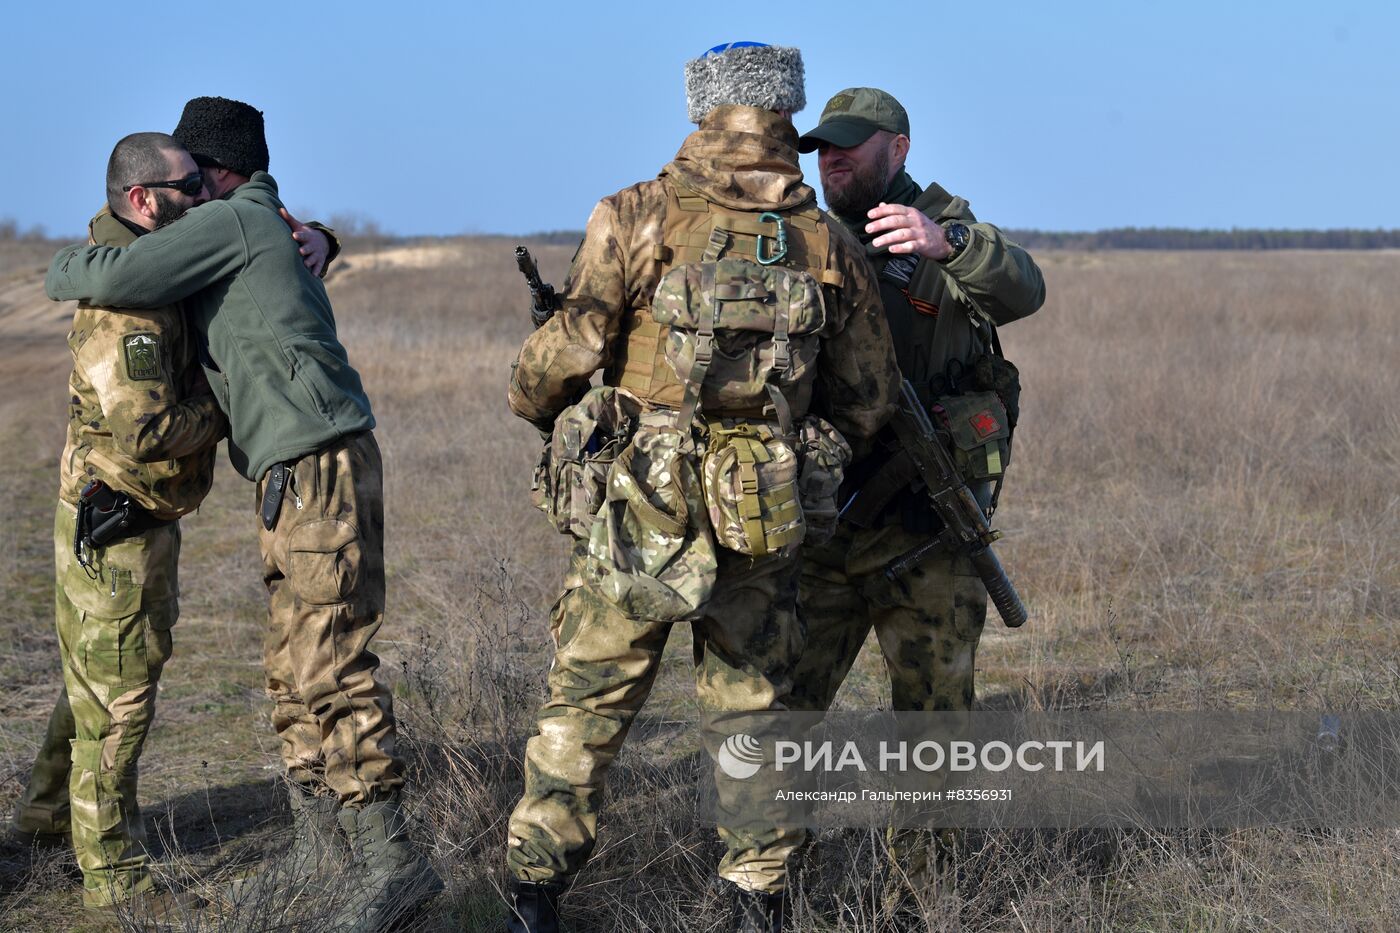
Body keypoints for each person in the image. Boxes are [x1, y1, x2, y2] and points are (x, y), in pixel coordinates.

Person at [502, 43, 900, 933]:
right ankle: (758, 894)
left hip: (642, 503)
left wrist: (558, 409)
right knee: (754, 706)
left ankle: (535, 891)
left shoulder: (637, 213)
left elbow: (556, 365)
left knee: (590, 697)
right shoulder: (825, 239)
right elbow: (869, 397)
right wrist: (795, 443)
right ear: (789, 109)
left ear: (698, 104)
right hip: (765, 503)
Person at [44, 97, 441, 932]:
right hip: (290, 472)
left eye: (195, 179)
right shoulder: (256, 219)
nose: (185, 198)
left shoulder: (235, 220)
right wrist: (325, 236)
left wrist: (58, 266)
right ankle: (320, 849)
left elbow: (112, 274)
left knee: (329, 662)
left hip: (316, 465)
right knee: (291, 666)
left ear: (220, 175)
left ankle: (391, 860)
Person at [789, 87, 1045, 903]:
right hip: (823, 527)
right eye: (823, 146)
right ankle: (768, 886)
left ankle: (917, 902)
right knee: (779, 712)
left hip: (925, 534)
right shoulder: (803, 234)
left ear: (897, 150)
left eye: (851, 146)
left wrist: (948, 244)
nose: (833, 158)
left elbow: (1023, 288)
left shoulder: (942, 228)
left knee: (933, 729)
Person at [7, 132, 225, 919]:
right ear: (141, 200)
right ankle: (112, 873)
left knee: (87, 685)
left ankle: (38, 823)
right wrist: (225, 406)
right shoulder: (126, 306)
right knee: (121, 698)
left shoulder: (142, 271)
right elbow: (148, 430)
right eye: (188, 185)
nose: (201, 196)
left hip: (109, 515)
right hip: (121, 526)